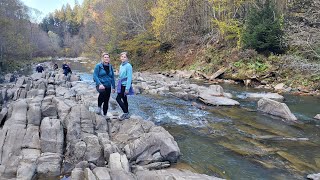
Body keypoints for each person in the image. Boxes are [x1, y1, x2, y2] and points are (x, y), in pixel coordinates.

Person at [93, 52, 115, 119]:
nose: (106, 58)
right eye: (105, 57)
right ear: (102, 58)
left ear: (109, 59)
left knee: (106, 100)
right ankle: (99, 107)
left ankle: (105, 114)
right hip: (100, 84)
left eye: (107, 57)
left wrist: (113, 87)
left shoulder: (110, 66)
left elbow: (112, 77)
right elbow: (95, 75)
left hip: (108, 85)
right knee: (102, 92)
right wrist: (99, 84)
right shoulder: (98, 66)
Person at [116, 52, 134, 120]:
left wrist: (127, 88)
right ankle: (127, 113)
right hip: (121, 84)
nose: (123, 58)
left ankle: (125, 112)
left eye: (124, 57)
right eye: (122, 57)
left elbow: (129, 77)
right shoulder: (121, 65)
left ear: (127, 58)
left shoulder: (128, 66)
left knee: (118, 99)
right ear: (120, 58)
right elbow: (121, 75)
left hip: (125, 85)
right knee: (124, 99)